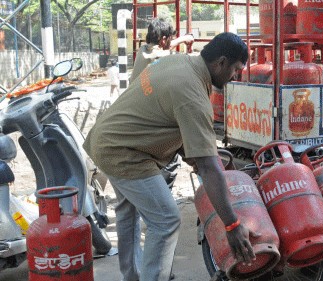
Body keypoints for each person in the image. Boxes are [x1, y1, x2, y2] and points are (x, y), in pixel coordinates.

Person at [83, 32, 256, 281]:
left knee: (127, 212)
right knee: (166, 220)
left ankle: (132, 276)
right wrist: (232, 225)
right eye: (236, 70)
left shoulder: (178, 62)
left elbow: (167, 119)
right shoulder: (193, 95)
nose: (235, 77)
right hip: (125, 152)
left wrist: (201, 157)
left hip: (107, 137)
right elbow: (208, 167)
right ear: (221, 62)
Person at [129, 17, 195, 83]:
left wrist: (182, 39)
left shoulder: (142, 49)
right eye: (170, 38)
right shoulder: (166, 57)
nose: (171, 41)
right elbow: (192, 59)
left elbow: (164, 48)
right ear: (163, 40)